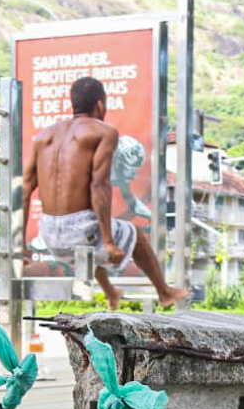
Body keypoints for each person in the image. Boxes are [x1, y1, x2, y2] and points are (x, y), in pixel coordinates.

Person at [23, 76, 188, 311]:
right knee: (131, 234)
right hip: (79, 231)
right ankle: (164, 292)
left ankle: (111, 292)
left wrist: (20, 245)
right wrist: (109, 242)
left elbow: (25, 189)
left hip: (49, 234)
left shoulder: (43, 136)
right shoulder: (103, 132)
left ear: (73, 104)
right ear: (100, 105)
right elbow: (99, 185)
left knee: (92, 241)